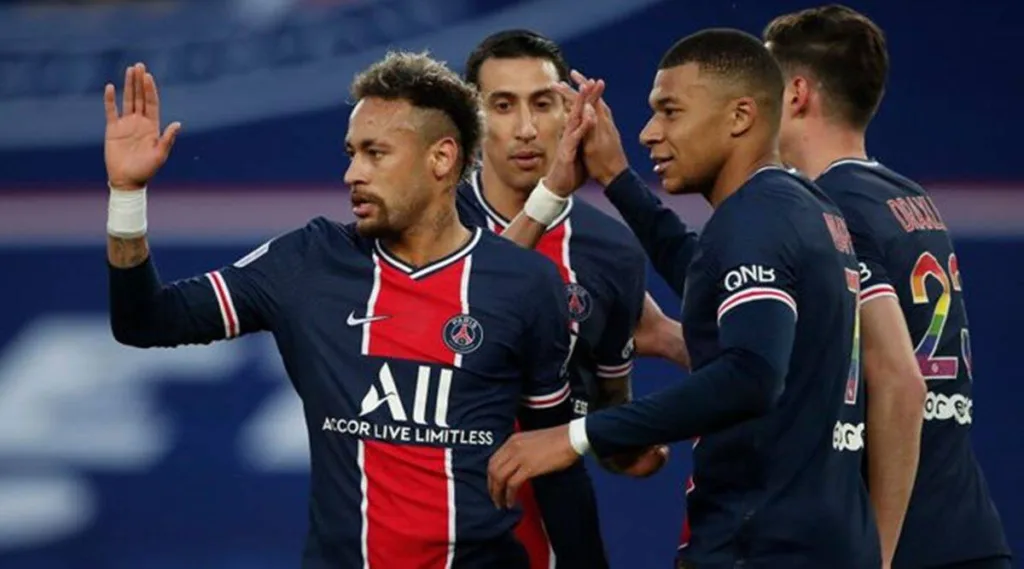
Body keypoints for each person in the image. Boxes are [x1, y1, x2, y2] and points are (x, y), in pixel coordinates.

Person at [104, 53, 603, 568]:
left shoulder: (525, 282)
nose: (352, 174)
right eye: (351, 153)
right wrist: (126, 196)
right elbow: (146, 321)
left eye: (375, 153)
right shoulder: (307, 262)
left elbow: (555, 462)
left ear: (441, 158)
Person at [487, 29, 881, 568]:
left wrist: (576, 436)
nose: (648, 132)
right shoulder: (802, 205)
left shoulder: (755, 219)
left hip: (761, 546)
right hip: (822, 535)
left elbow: (750, 375)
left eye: (670, 112)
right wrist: (617, 180)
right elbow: (708, 277)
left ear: (740, 116)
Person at [763, 5, 1011, 568]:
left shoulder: (829, 207)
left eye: (763, 83)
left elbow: (901, 383)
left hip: (908, 543)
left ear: (796, 94)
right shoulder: (906, 196)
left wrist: (877, 554)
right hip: (967, 532)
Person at [459, 29, 678, 569]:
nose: (526, 128)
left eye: (543, 104)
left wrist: (624, 446)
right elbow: (468, 305)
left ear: (571, 114)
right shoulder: (427, 223)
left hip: (552, 527)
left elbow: (607, 404)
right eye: (502, 106)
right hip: (428, 517)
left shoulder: (612, 252)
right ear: (471, 120)